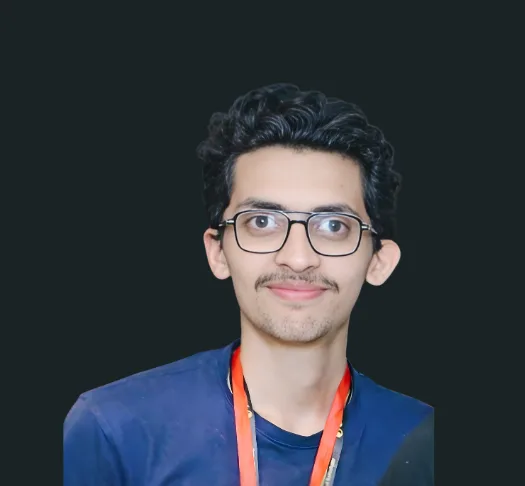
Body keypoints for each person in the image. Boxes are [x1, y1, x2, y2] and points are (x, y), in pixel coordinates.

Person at [63, 83, 434, 485]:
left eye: (333, 226)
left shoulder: (425, 441)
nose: (297, 258)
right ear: (217, 252)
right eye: (262, 222)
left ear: (379, 261)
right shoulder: (115, 432)